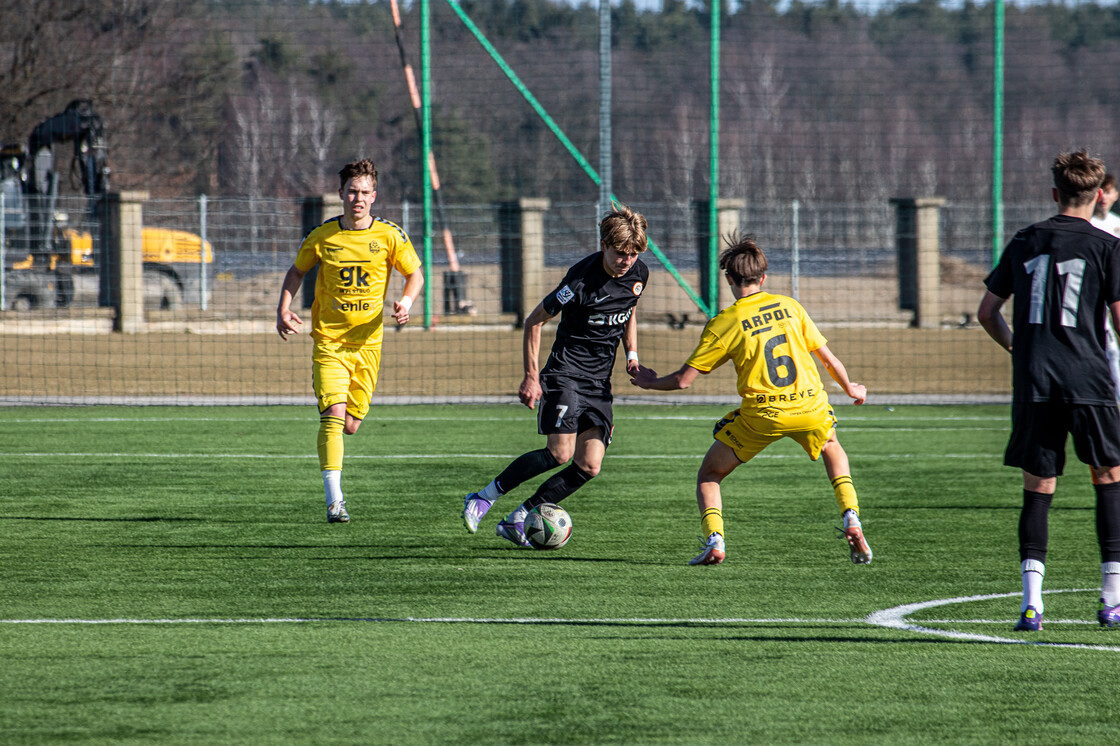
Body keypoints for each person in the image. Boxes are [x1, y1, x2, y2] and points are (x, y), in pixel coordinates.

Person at [629, 234, 871, 566]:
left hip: (763, 415)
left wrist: (650, 381)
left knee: (709, 474)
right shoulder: (790, 306)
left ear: (729, 278)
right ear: (764, 277)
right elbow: (828, 359)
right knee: (832, 446)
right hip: (809, 405)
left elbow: (684, 381)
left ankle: (715, 541)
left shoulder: (724, 323)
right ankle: (851, 517)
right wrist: (850, 388)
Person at [977, 150, 1120, 631]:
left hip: (1037, 380)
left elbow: (986, 312)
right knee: (1109, 480)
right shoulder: (1107, 246)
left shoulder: (1024, 240)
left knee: (1039, 490)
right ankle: (1112, 601)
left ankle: (1032, 606)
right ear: (1099, 196)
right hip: (1089, 379)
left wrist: (1020, 349)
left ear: (1054, 193)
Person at [461, 203, 649, 546]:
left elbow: (629, 311)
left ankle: (519, 518)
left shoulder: (639, 275)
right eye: (621, 252)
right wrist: (531, 377)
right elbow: (534, 321)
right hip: (566, 374)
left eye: (634, 253)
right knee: (560, 453)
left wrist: (632, 357)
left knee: (589, 465)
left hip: (599, 383)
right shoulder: (579, 281)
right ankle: (483, 497)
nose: (627, 260)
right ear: (603, 244)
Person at [276, 158, 424, 523]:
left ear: (374, 196)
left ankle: (337, 459)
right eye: (351, 192)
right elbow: (296, 272)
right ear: (341, 194)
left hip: (368, 345)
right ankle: (334, 500)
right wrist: (283, 308)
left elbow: (415, 274)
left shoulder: (389, 235)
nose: (357, 198)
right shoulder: (323, 236)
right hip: (329, 342)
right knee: (332, 417)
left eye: (364, 192)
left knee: (351, 423)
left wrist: (405, 303)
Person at [1089, 172, 1120, 403]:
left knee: (1111, 350)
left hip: (1114, 293)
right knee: (1106, 348)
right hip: (1095, 296)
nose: (1104, 197)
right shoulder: (1087, 224)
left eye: (1109, 191)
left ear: (1115, 195)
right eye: (1102, 191)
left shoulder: (1117, 224)